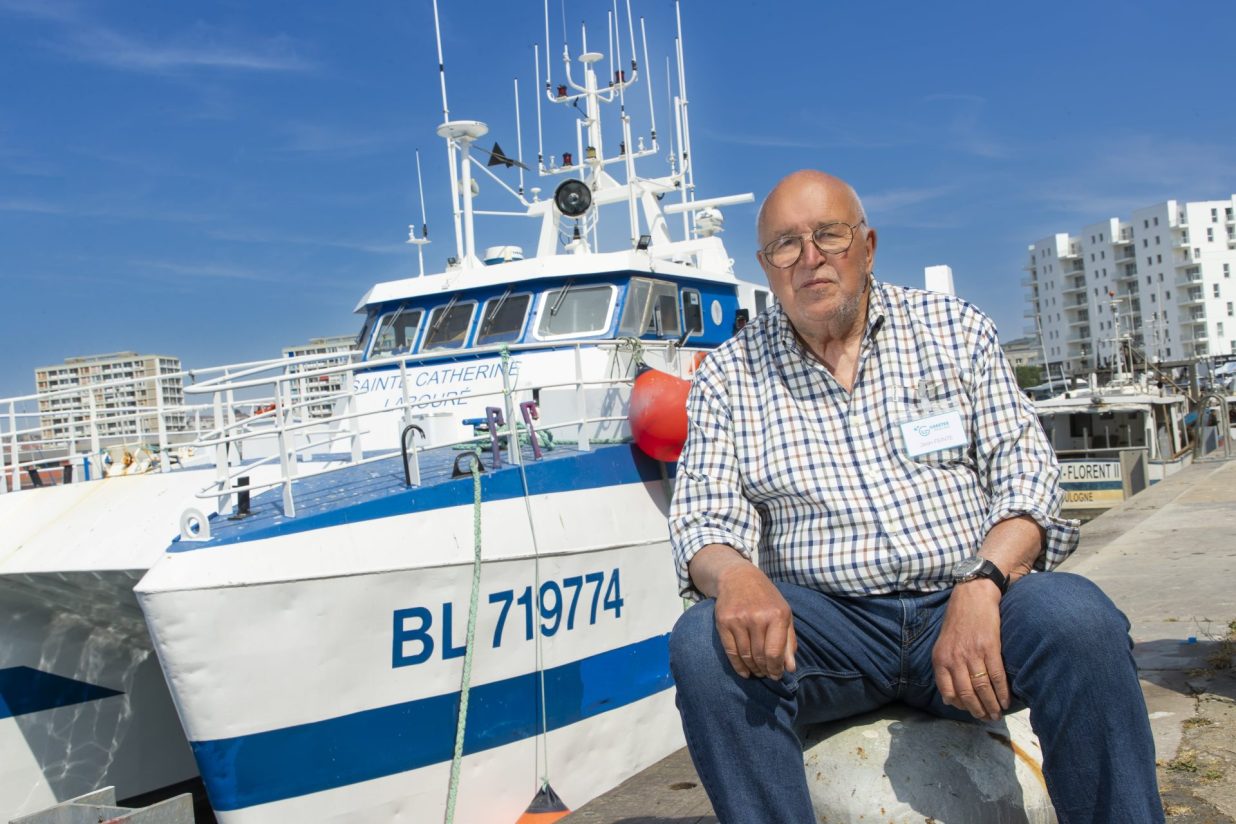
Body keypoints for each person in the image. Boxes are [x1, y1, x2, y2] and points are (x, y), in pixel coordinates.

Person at [667, 170, 1163, 823]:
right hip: (829, 631)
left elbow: (1028, 474)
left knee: (1079, 622)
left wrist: (982, 584)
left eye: (829, 235)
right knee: (705, 643)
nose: (810, 258)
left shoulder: (955, 331)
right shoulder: (729, 377)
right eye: (786, 244)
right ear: (766, 267)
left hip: (968, 604)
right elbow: (702, 514)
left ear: (867, 246)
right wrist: (733, 575)